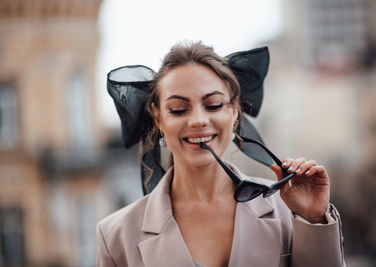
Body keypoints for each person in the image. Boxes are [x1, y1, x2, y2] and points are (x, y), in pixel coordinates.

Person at [96, 42, 346, 267]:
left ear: (235, 111)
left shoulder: (288, 210)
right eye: (178, 109)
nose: (198, 120)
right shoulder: (115, 236)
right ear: (158, 118)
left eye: (213, 105)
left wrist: (313, 220)